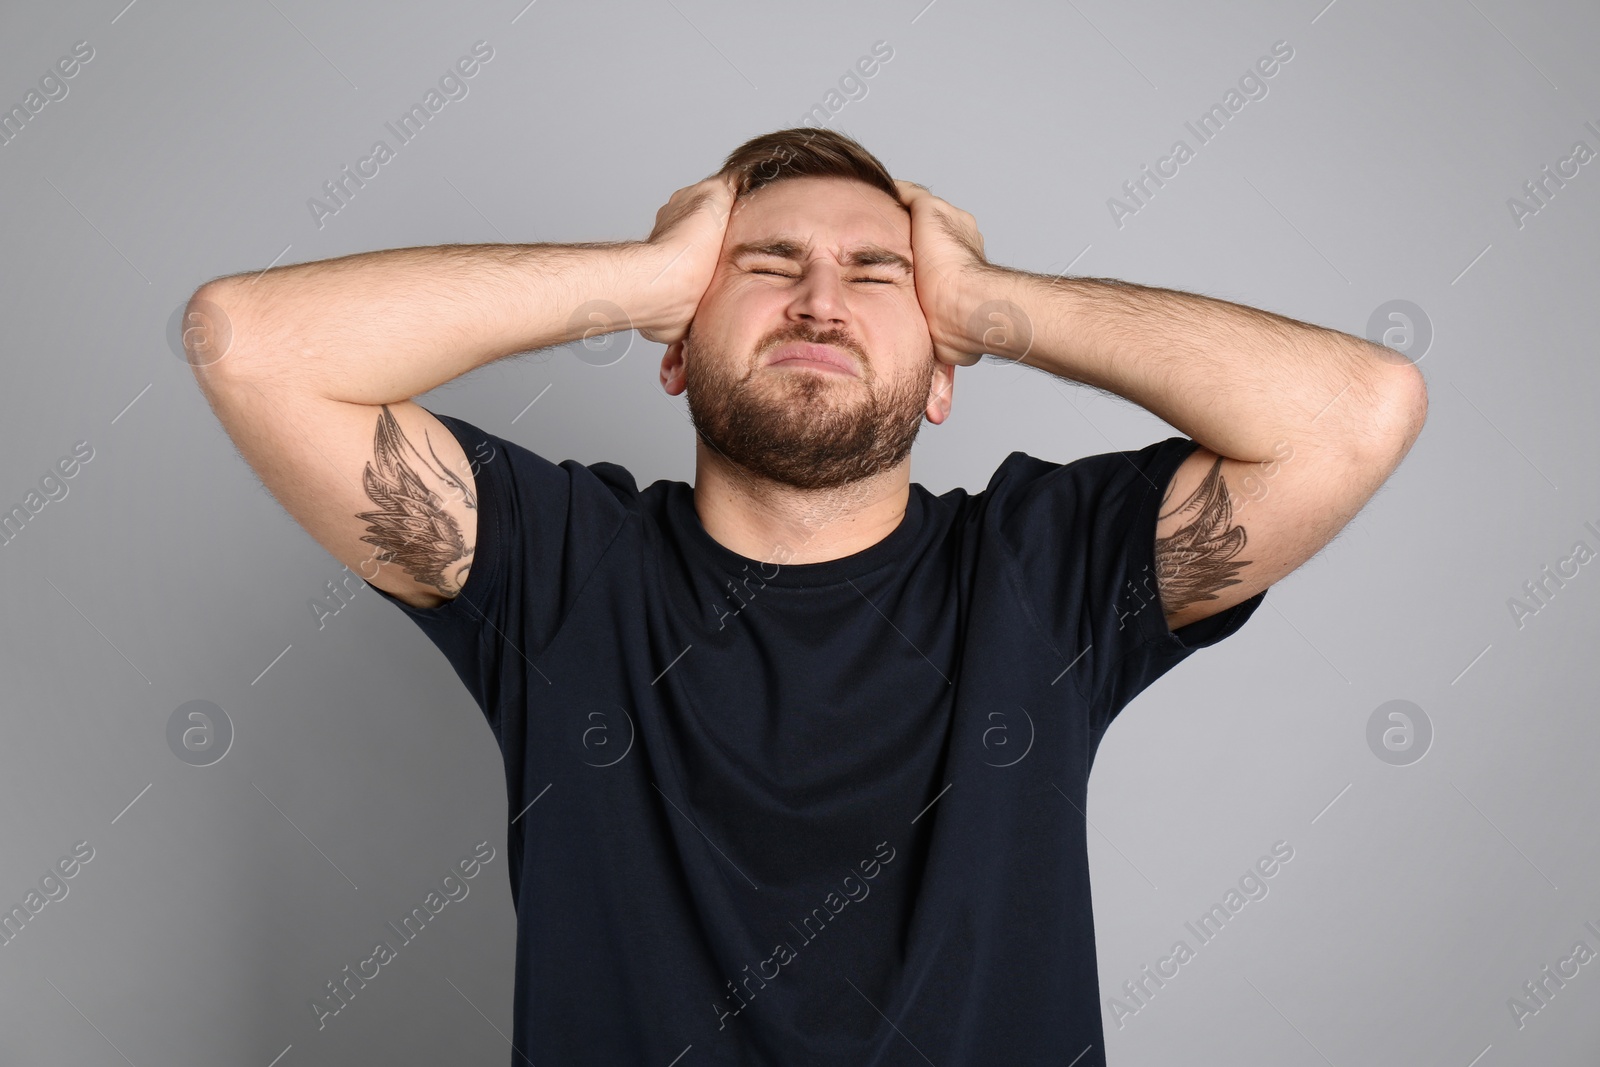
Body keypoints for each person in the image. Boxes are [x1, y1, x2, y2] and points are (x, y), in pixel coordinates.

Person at [184, 127, 1426, 1065]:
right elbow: (245, 340)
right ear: (673, 342)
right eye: (766, 264)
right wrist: (634, 272)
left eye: (877, 276)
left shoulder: (1048, 572)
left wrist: (998, 305)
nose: (820, 299)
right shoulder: (559, 565)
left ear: (944, 370)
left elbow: (1359, 410)